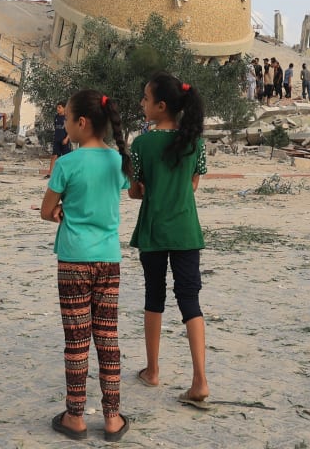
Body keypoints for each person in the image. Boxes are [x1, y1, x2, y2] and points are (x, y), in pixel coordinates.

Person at [40, 89, 131, 442]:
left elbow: (47, 210)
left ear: (81, 123)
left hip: (73, 261)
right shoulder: (117, 162)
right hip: (108, 261)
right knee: (107, 337)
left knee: (76, 341)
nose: (64, 126)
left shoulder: (66, 164)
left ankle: (75, 416)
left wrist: (61, 213)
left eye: (67, 120)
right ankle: (112, 417)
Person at [128, 73, 210, 405]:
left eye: (145, 99)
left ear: (161, 106)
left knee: (154, 296)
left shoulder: (141, 144)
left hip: (154, 230)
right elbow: (192, 186)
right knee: (190, 300)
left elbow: (135, 191)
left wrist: (147, 188)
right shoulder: (196, 142)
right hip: (186, 231)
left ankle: (153, 370)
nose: (142, 104)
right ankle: (200, 380)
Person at [49, 101, 71, 175]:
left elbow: (70, 130)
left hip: (64, 140)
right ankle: (50, 173)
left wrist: (66, 139)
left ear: (64, 108)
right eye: (57, 107)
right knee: (54, 156)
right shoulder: (56, 117)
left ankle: (67, 173)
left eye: (59, 107)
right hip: (57, 140)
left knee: (66, 158)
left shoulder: (67, 118)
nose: (58, 109)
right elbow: (56, 128)